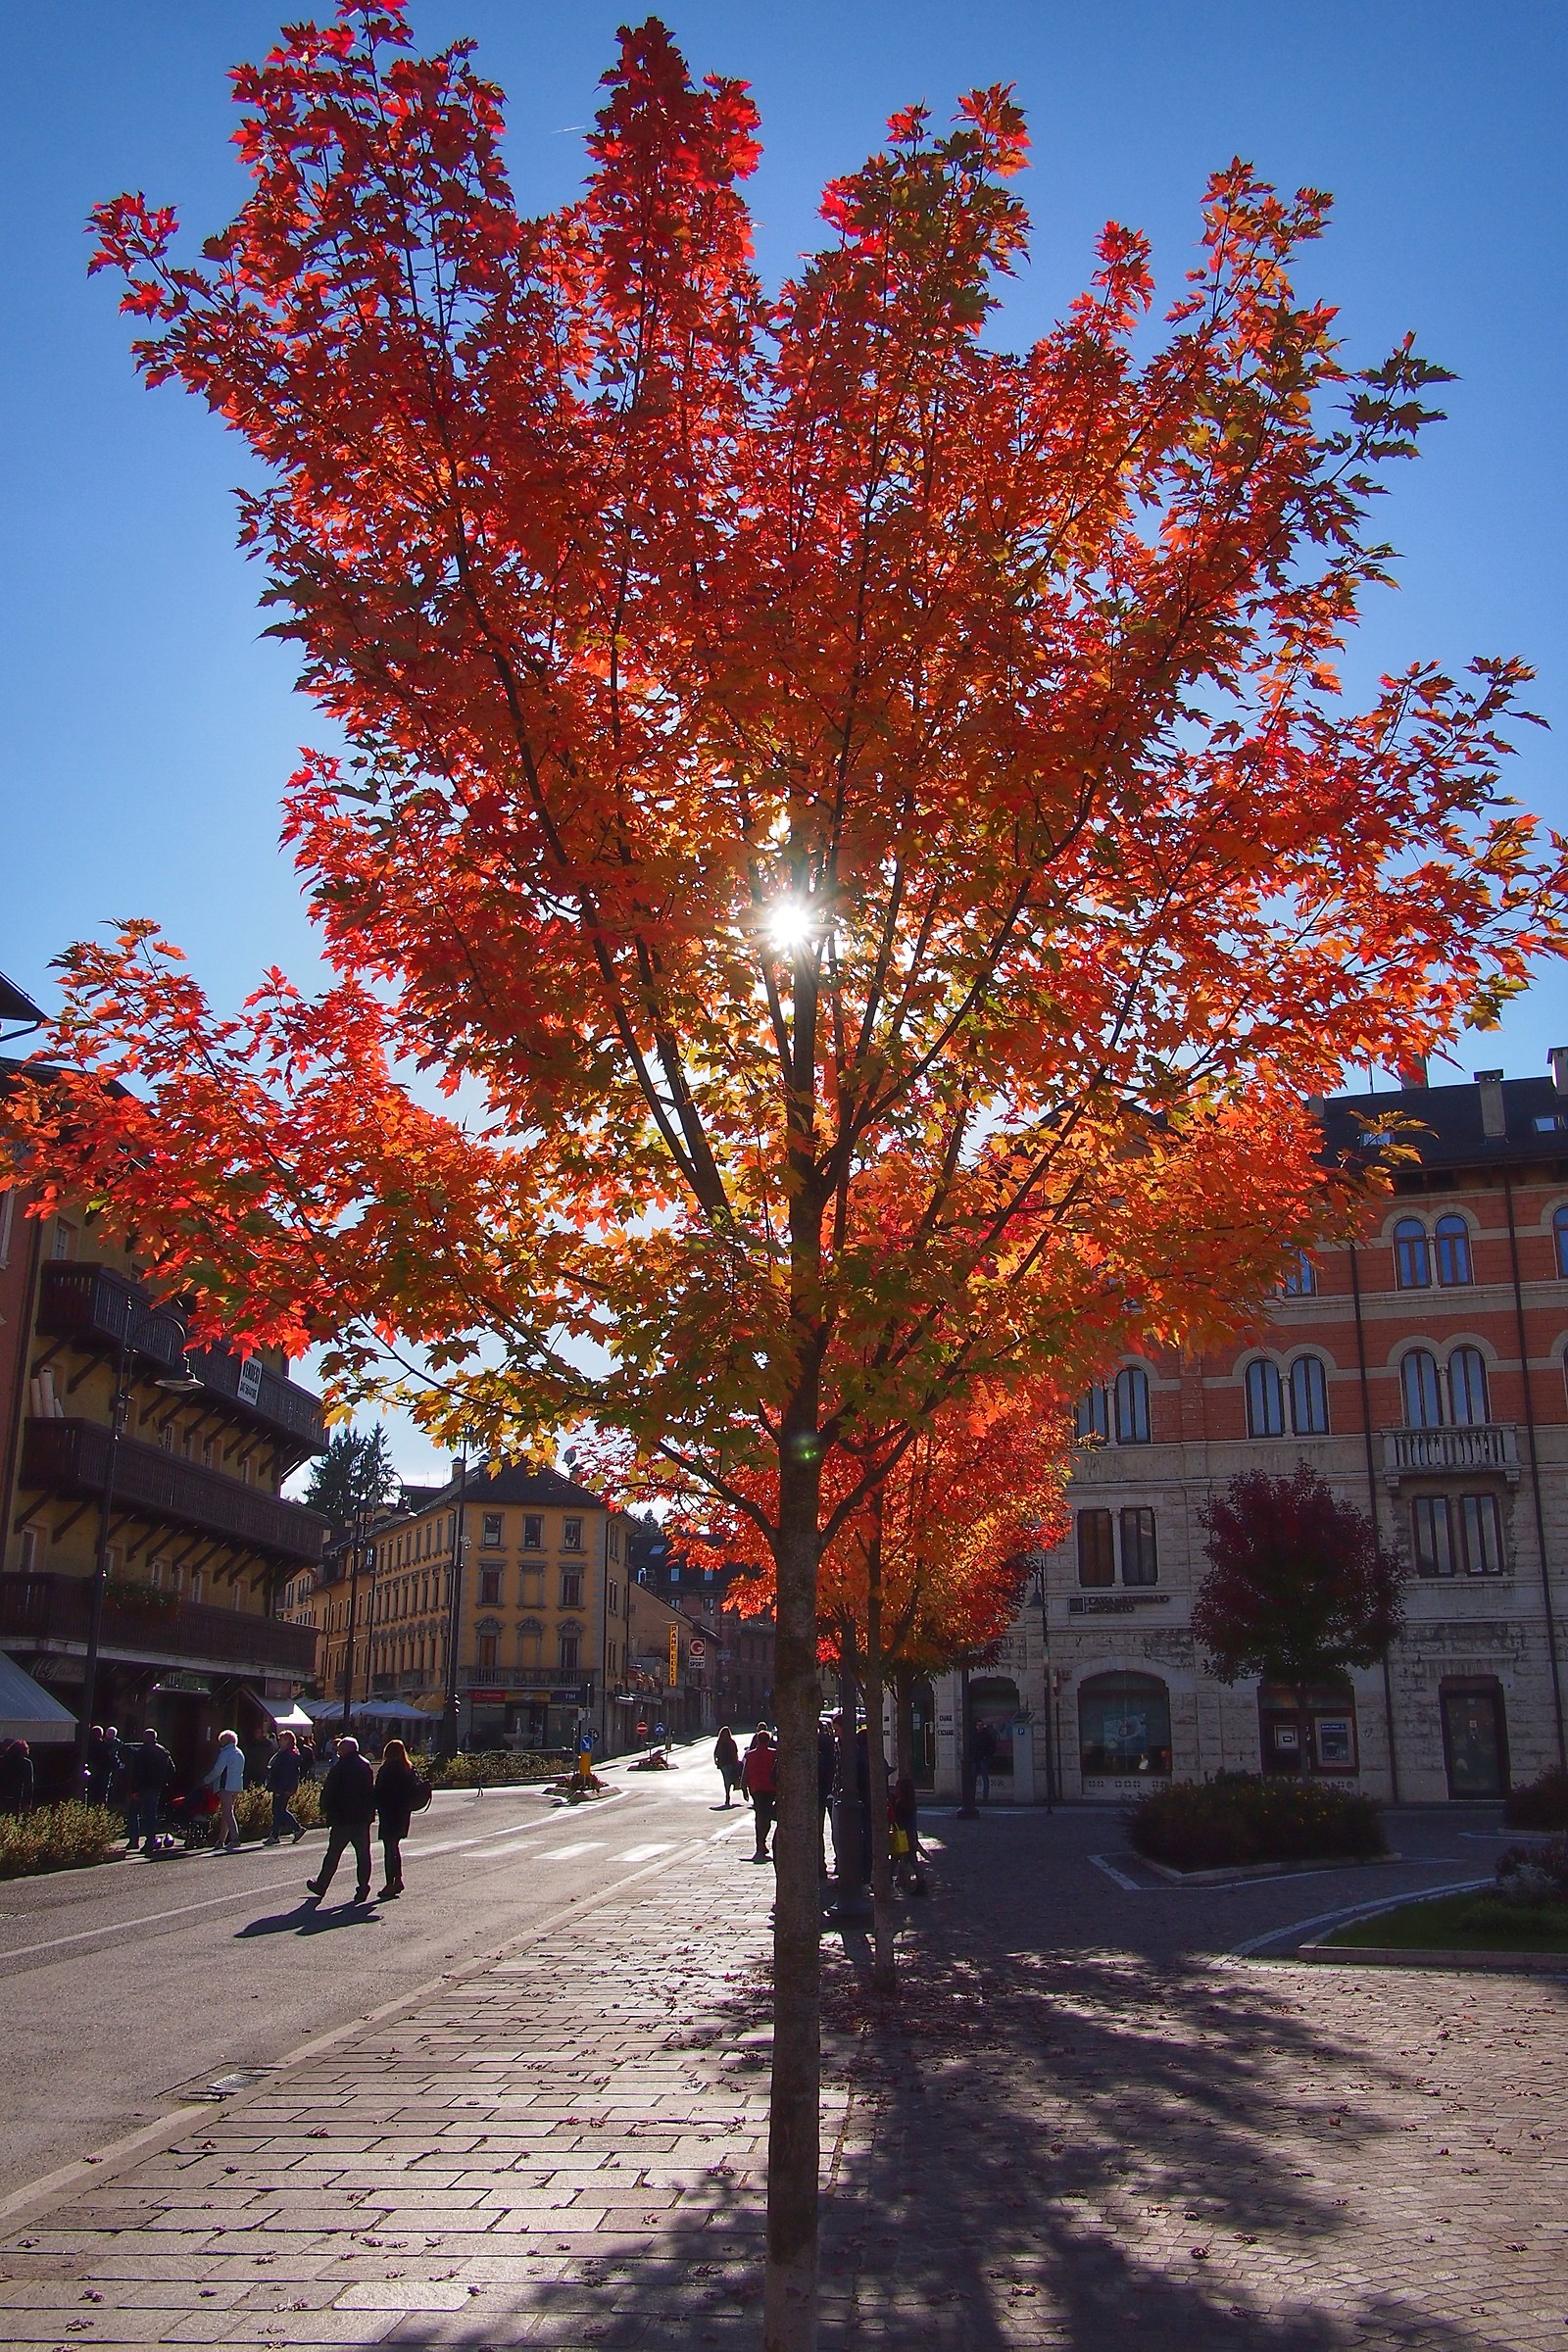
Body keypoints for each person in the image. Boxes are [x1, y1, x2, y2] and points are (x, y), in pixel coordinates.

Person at [306, 1735, 376, 1903]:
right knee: (363, 1855)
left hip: (342, 1818)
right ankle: (363, 1887)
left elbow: (330, 1790)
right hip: (361, 1818)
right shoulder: (365, 1765)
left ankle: (321, 1885)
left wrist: (324, 1809)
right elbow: (370, 1791)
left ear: (345, 1750)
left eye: (340, 1750)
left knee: (333, 1854)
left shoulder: (340, 1767)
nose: (338, 1752)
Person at [372, 1738, 422, 1899]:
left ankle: (390, 1883)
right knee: (395, 1847)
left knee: (389, 1849)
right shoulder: (408, 1768)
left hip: (389, 1812)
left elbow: (379, 1791)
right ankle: (398, 1879)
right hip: (403, 1813)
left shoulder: (387, 1769)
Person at [123, 1727, 175, 1854]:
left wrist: (134, 1789)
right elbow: (172, 1769)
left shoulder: (141, 1752)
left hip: (141, 1787)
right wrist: (163, 1781)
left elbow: (137, 1772)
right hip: (155, 1787)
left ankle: (134, 1840)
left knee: (133, 1812)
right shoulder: (163, 1752)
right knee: (151, 1815)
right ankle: (149, 1842)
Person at [204, 1729, 246, 1851]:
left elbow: (218, 1770)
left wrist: (206, 1780)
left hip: (225, 1786)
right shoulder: (239, 1753)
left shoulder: (226, 1753)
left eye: (221, 1740)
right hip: (236, 1786)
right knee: (227, 1813)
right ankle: (221, 1840)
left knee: (227, 1813)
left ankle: (235, 1839)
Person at [265, 1730, 308, 1845]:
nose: (279, 1741)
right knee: (278, 1810)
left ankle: (285, 1832)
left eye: (281, 1739)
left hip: (284, 1786)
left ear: (288, 1740)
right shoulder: (284, 1753)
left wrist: (280, 1788)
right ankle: (279, 1833)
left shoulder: (288, 1755)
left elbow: (286, 1773)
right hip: (282, 1785)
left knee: (279, 1810)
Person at [741, 1724, 776, 1863]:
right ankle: (761, 1842)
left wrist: (744, 1788)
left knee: (759, 1816)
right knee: (766, 1817)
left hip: (756, 1789)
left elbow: (745, 1772)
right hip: (770, 1789)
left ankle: (760, 1843)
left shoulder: (750, 1755)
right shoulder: (774, 1754)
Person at [816, 1718, 838, 1876]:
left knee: (817, 1832)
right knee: (837, 1829)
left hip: (816, 1792)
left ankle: (819, 1865)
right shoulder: (831, 1743)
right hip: (832, 1789)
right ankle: (839, 1862)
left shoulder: (810, 1744)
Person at [0, 1738, 35, 1817]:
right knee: (13, 1817)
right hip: (16, 1796)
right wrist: (27, 1802)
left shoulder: (1, 1761)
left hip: (2, 1795)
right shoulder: (26, 1763)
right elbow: (29, 1785)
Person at [713, 1726, 740, 1808]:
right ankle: (734, 1786)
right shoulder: (731, 1742)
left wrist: (716, 1761)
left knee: (726, 1780)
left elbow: (715, 1753)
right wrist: (736, 1761)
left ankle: (727, 1795)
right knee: (732, 1777)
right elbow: (735, 1752)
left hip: (723, 1764)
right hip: (731, 1763)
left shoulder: (720, 1742)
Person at [973, 1718, 997, 1804]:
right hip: (975, 1759)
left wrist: (986, 1756)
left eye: (981, 1725)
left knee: (985, 1778)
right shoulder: (974, 1735)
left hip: (983, 1759)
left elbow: (993, 1747)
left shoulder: (986, 1735)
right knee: (973, 1778)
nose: (979, 1727)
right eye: (978, 1725)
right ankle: (973, 1795)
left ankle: (985, 1796)